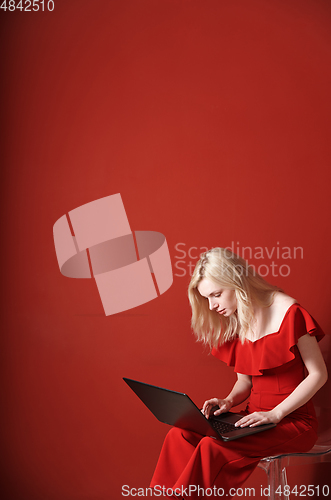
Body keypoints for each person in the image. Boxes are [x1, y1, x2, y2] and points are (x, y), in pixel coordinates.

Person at [150, 248, 328, 499]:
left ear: (237, 282)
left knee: (212, 447)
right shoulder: (240, 319)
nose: (212, 306)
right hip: (251, 420)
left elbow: (318, 375)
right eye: (207, 298)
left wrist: (275, 414)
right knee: (180, 434)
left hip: (292, 422)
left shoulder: (290, 311)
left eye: (216, 295)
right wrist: (228, 401)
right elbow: (244, 382)